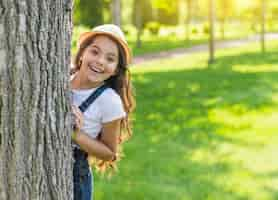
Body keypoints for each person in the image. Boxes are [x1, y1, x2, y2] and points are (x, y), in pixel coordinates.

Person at [70, 24, 135, 200]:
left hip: (73, 176)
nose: (100, 61)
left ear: (115, 69)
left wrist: (75, 134)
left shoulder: (109, 101)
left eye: (110, 58)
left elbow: (109, 152)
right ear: (82, 52)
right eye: (95, 52)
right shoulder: (61, 76)